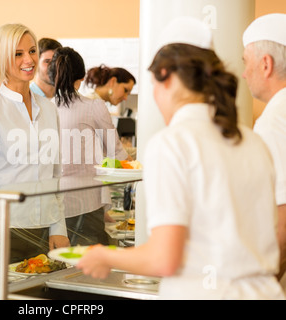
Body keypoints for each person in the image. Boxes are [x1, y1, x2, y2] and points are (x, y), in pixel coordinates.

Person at [77, 17, 285, 300]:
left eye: (153, 84)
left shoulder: (172, 143)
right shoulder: (251, 141)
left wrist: (103, 255)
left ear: (167, 77)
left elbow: (165, 258)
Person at [0, 23, 70, 266]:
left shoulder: (48, 108)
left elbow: (54, 174)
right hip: (3, 230)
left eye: (32, 51)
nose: (29, 59)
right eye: (18, 53)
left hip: (46, 229)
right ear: (0, 58)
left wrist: (59, 227)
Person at [48, 46, 131, 245]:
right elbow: (117, 152)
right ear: (82, 77)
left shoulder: (43, 109)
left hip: (51, 205)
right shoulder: (93, 106)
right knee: (90, 269)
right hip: (86, 202)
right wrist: (134, 165)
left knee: (58, 267)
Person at [242, 13, 286, 287]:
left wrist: (260, 287)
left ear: (266, 64)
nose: (245, 73)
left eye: (246, 63)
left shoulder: (274, 122)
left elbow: (282, 221)